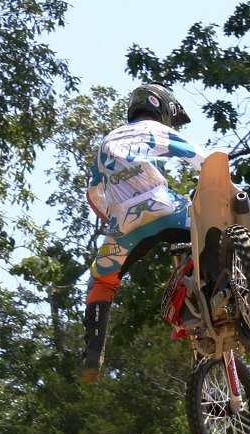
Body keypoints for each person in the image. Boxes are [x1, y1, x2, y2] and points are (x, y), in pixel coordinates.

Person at [79, 83, 210, 383]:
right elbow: (200, 158)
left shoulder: (106, 142)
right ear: (161, 107)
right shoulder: (155, 129)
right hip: (165, 208)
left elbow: (94, 193)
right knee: (215, 229)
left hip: (123, 225)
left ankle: (92, 354)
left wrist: (115, 221)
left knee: (101, 280)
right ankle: (220, 290)